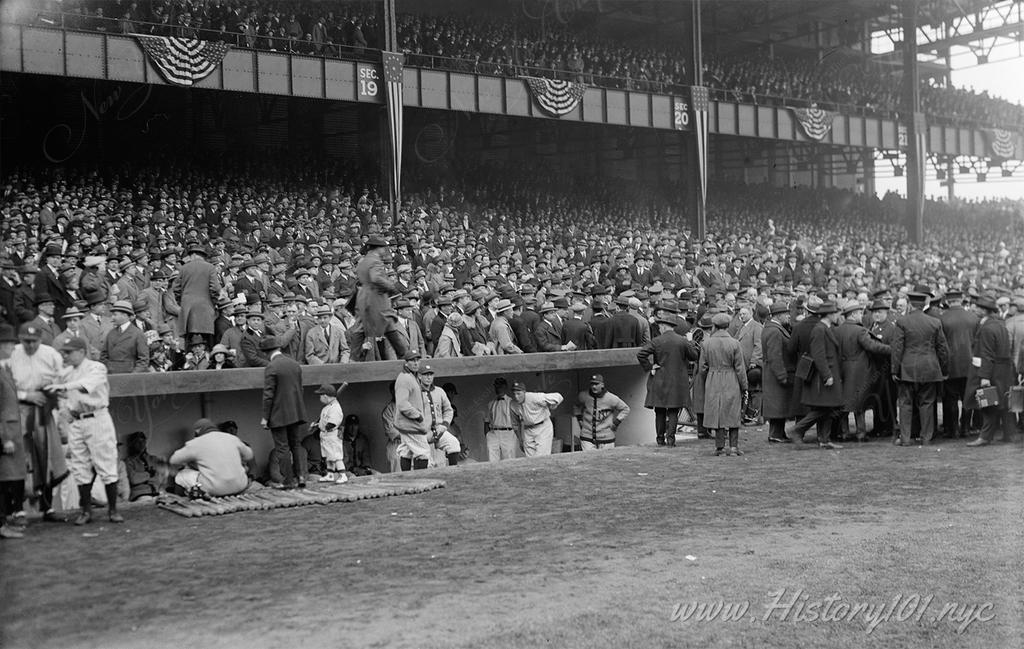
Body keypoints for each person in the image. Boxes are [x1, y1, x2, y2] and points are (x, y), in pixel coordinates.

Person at [45, 337, 123, 525]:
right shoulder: (67, 372)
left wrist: (63, 386)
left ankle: (113, 510)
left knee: (105, 463)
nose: (66, 355)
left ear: (81, 351)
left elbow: (86, 385)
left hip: (97, 418)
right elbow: (63, 397)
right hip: (77, 421)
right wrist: (65, 411)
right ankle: (86, 511)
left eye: (70, 352)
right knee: (80, 465)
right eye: (65, 352)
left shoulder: (96, 367)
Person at [8, 322, 68, 522]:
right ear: (20, 339)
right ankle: (17, 509)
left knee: (47, 456)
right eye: (26, 341)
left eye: (34, 341)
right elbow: (5, 387)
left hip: (44, 408)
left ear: (40, 340)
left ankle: (47, 507)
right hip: (19, 408)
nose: (30, 345)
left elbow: (63, 381)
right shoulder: (12, 354)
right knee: (20, 458)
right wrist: (26, 394)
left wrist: (52, 391)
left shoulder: (50, 354)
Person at [891, 290, 949, 446]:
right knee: (927, 403)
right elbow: (943, 349)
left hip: (908, 368)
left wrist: (894, 370)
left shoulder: (902, 322)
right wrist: (944, 370)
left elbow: (897, 349)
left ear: (910, 304)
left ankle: (905, 438)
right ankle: (926, 438)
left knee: (905, 403)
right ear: (925, 304)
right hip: (929, 368)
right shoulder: (935, 322)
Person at [786, 301, 845, 449]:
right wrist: (827, 375)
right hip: (823, 377)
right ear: (829, 315)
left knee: (828, 408)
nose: (838, 316)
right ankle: (797, 430)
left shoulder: (825, 328)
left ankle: (824, 439)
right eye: (836, 313)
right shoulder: (819, 329)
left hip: (828, 374)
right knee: (823, 408)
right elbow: (818, 355)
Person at [637, 314, 698, 446]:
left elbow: (641, 354)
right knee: (673, 411)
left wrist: (649, 366)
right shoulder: (682, 341)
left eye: (659, 326)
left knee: (659, 410)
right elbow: (694, 356)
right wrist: (691, 342)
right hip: (677, 381)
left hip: (660, 378)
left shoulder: (657, 341)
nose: (659, 328)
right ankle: (671, 439)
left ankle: (660, 439)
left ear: (664, 326)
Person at [835, 301, 891, 442]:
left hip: (842, 369)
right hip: (857, 372)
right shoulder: (859, 331)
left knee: (844, 403)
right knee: (858, 403)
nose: (862, 315)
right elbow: (872, 347)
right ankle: (861, 432)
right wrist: (891, 349)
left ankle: (844, 432)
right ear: (853, 314)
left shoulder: (837, 330)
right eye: (860, 313)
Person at [965, 295, 1015, 447]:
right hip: (1004, 371)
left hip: (992, 371)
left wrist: (984, 377)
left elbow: (987, 355)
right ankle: (1009, 434)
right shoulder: (1000, 325)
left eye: (978, 307)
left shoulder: (987, 328)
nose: (975, 309)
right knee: (1004, 403)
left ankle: (985, 437)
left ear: (984, 311)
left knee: (988, 403)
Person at [350, 236, 408, 361]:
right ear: (377, 248)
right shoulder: (375, 260)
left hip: (363, 296)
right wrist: (390, 286)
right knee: (387, 322)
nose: (384, 250)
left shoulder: (364, 260)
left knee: (362, 326)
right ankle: (405, 355)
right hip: (375, 297)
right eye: (382, 247)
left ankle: (353, 357)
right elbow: (375, 278)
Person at [260, 335, 308, 488]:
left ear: (266, 352)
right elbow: (300, 388)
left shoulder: (271, 367)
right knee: (295, 444)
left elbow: (268, 395)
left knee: (282, 448)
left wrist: (265, 418)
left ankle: (288, 480)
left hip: (278, 414)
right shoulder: (294, 364)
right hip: (296, 411)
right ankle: (301, 476)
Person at [699, 312, 749, 456]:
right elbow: (740, 368)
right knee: (733, 411)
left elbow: (702, 368)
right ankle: (733, 447)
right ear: (727, 326)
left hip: (713, 378)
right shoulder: (734, 343)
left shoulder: (706, 343)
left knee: (717, 412)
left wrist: (706, 379)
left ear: (714, 326)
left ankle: (719, 447)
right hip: (731, 378)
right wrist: (744, 386)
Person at [169, 418, 254, 498]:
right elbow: (249, 454)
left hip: (215, 488)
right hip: (240, 485)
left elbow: (174, 460)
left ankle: (181, 499)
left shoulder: (197, 442)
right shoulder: (232, 439)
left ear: (197, 432)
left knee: (180, 475)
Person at [938, 289, 978, 438]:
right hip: (970, 364)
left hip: (950, 365)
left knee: (951, 399)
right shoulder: (973, 317)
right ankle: (966, 429)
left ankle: (953, 430)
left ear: (948, 301)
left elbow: (941, 345)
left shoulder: (942, 318)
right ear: (961, 300)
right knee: (968, 397)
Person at [0, 323, 27, 539]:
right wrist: (4, 438)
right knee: (3, 478)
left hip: (13, 429)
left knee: (9, 476)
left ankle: (5, 520)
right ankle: (2, 524)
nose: (11, 347)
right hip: (6, 432)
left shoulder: (5, 369)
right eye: (8, 343)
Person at [173, 243, 223, 347]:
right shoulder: (210, 267)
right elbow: (215, 288)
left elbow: (176, 289)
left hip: (187, 309)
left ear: (194, 255)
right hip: (205, 308)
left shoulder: (184, 268)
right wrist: (214, 302)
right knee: (206, 342)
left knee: (189, 342)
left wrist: (182, 301)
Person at [761, 302, 796, 443]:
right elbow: (775, 356)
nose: (788, 316)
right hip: (776, 373)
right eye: (786, 313)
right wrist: (782, 376)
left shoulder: (772, 328)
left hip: (772, 372)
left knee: (778, 405)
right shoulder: (775, 331)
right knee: (778, 405)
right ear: (779, 315)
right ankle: (776, 434)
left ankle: (778, 433)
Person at [574, 374, 630, 450]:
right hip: (587, 436)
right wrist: (579, 418)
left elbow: (625, 409)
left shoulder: (611, 398)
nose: (594, 387)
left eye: (596, 384)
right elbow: (576, 405)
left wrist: (617, 422)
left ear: (602, 385)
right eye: (592, 384)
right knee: (589, 459)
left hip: (606, 437)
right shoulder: (583, 396)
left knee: (605, 460)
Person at [510, 381, 563, 457]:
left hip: (543, 428)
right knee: (530, 458)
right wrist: (520, 440)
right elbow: (515, 424)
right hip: (527, 430)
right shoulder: (512, 404)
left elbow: (558, 396)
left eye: (519, 394)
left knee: (542, 457)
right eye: (514, 394)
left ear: (524, 392)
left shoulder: (534, 397)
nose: (516, 397)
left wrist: (552, 406)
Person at [310, 383, 349, 483]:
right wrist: (316, 424)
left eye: (321, 395)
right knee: (329, 457)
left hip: (332, 435)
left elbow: (331, 424)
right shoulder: (327, 407)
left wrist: (320, 426)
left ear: (326, 396)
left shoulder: (335, 408)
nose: (320, 397)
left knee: (336, 457)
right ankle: (330, 475)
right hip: (326, 436)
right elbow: (323, 421)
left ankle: (343, 475)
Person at [101, 299, 149, 373]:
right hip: (112, 376)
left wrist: (132, 376)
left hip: (129, 378)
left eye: (115, 315)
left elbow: (143, 360)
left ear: (124, 315)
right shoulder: (111, 333)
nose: (112, 318)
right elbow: (103, 356)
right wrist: (109, 369)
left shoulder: (138, 334)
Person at [123, 431, 166, 501]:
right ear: (132, 444)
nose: (141, 444)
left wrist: (141, 476)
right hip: (140, 494)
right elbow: (134, 479)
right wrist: (149, 474)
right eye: (137, 442)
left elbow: (160, 478)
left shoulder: (153, 459)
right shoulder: (128, 461)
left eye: (143, 441)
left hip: (157, 492)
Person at [484, 377, 518, 462]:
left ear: (505, 387)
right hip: (493, 433)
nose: (498, 388)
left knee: (509, 459)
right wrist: (487, 435)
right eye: (496, 386)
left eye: (500, 386)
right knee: (492, 458)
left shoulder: (512, 402)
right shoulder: (491, 404)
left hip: (508, 432)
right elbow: (486, 421)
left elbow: (518, 420)